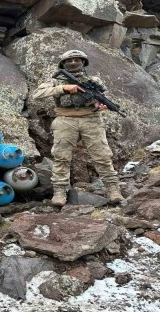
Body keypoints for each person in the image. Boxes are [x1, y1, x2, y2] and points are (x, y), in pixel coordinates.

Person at [32, 50, 124, 206]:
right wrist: (64, 88)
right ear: (63, 64)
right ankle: (59, 192)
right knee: (61, 157)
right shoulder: (56, 80)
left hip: (91, 119)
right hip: (65, 120)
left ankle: (113, 190)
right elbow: (37, 94)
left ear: (83, 63)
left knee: (102, 156)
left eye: (77, 60)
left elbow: (101, 95)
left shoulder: (93, 80)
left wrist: (100, 106)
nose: (74, 63)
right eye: (70, 60)